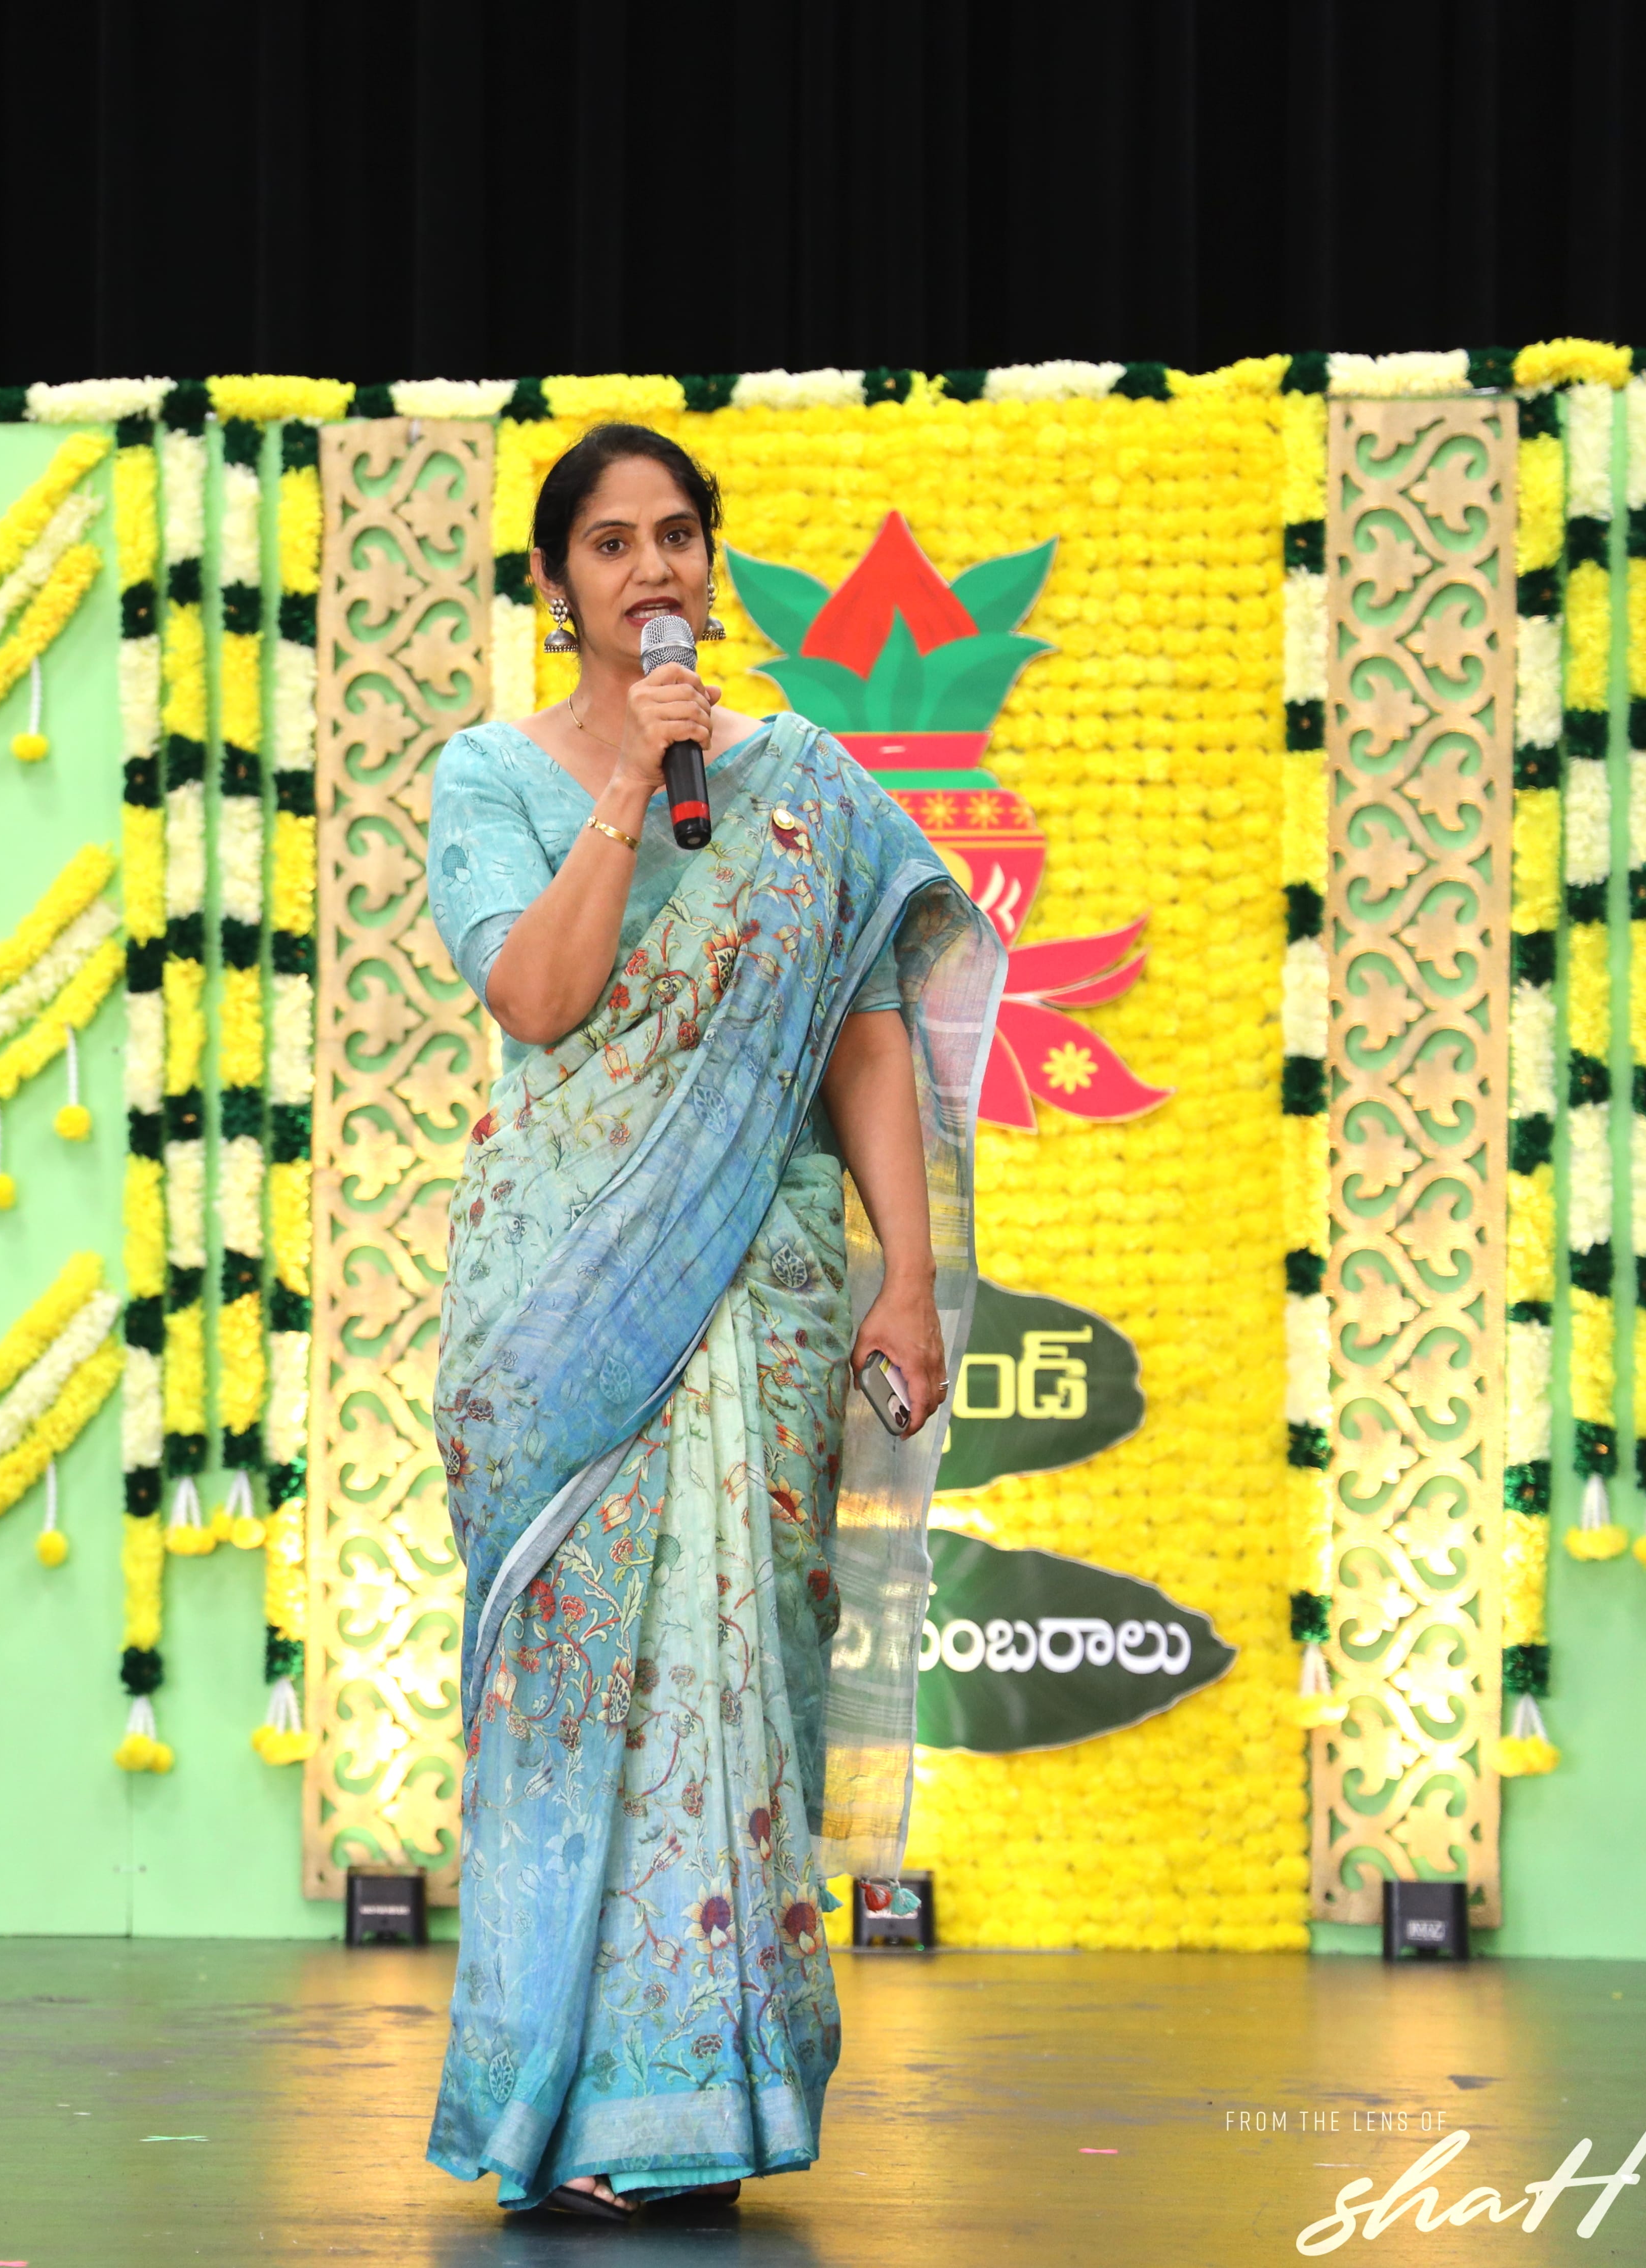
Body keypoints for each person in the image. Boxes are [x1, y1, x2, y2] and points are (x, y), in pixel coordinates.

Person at [419, 425, 1000, 2219]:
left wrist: (910, 1273)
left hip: (768, 1286)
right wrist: (626, 787)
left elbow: (864, 1034)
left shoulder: (807, 786)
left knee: (740, 1680)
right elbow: (539, 995)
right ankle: (556, 2105)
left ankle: (706, 2102)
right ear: (554, 584)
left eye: (677, 535)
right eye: (610, 544)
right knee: (568, 1697)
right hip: (558, 1311)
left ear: (711, 562)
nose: (651, 569)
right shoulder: (488, 775)